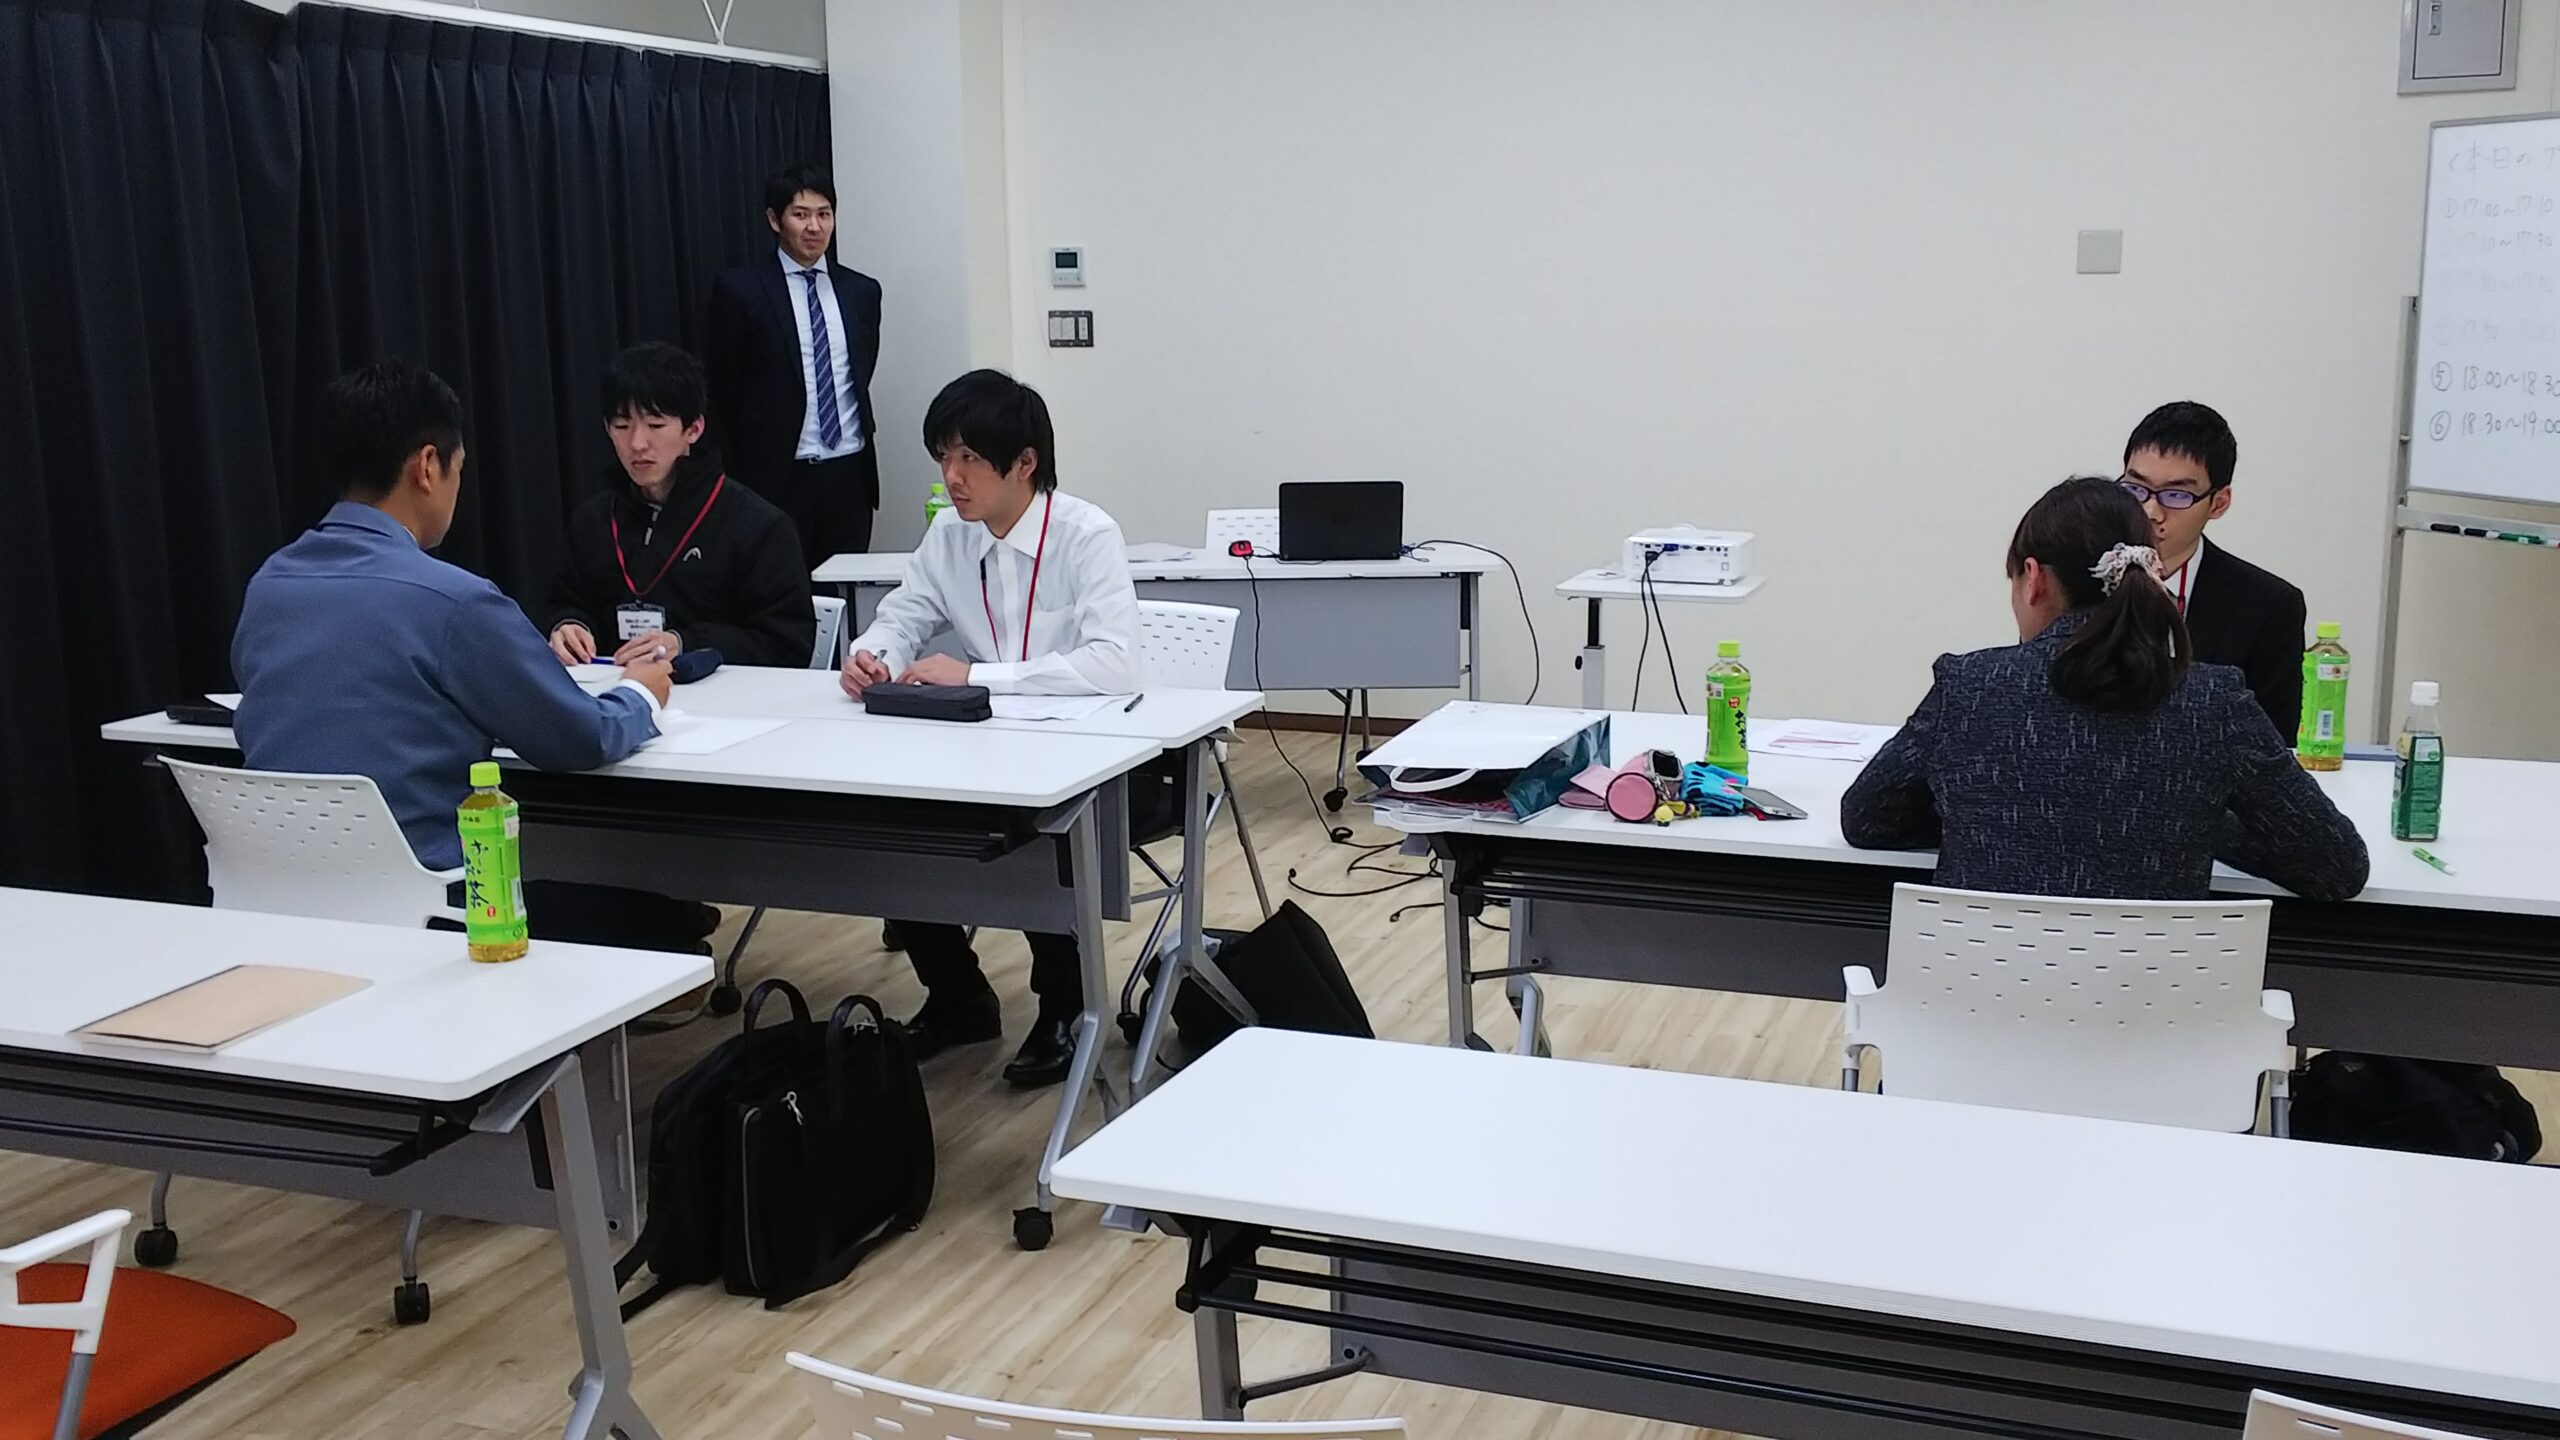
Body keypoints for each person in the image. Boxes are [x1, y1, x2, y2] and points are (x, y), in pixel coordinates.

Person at [232, 360, 710, 954]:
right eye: (458, 471)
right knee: (672, 925)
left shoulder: (269, 585)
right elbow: (580, 738)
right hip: (444, 913)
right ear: (427, 467)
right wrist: (641, 692)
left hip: (281, 914)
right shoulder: (454, 602)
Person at [840, 369, 1166, 1088]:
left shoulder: (1085, 534)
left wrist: (979, 676)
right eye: (943, 458)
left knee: (1041, 829)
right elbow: (904, 615)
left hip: (1099, 759)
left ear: (1024, 463)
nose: (951, 478)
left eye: (969, 459)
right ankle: (958, 996)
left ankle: (1066, 1007)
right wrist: (874, 655)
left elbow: (1114, 665)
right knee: (890, 817)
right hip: (989, 747)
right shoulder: (949, 536)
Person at [1840, 476, 2367, 903]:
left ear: (2033, 578)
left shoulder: (1970, 687)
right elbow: (2337, 867)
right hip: (2153, 1004)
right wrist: (2205, 823)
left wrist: (1982, 814)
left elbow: (1865, 819)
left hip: (1978, 1001)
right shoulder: (2214, 702)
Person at [537, 343, 813, 670]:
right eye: (622, 426)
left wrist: (685, 643)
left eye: (655, 425)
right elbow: (565, 601)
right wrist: (568, 626)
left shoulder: (759, 527)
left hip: (719, 694)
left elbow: (788, 643)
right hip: (615, 691)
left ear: (693, 429)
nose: (637, 443)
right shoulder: (592, 521)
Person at [705, 162, 883, 572]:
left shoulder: (861, 291)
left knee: (847, 587)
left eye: (824, 214)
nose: (814, 227)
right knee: (781, 588)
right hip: (778, 477)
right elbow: (724, 389)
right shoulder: (740, 291)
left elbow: (859, 373)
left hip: (849, 473)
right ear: (775, 220)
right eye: (800, 214)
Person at [2118, 401, 2308, 735]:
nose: (2150, 511)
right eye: (2136, 489)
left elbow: (2273, 742)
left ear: (2218, 503)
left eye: (2176, 495)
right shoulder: (2077, 577)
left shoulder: (2269, 606)